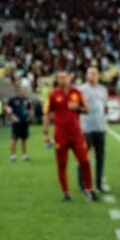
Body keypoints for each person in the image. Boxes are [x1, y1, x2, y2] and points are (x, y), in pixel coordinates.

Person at [43, 70, 96, 201]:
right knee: (61, 164)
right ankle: (65, 192)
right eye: (59, 78)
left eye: (64, 77)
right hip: (60, 135)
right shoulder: (53, 95)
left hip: (76, 134)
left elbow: (87, 109)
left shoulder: (77, 93)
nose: (62, 80)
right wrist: (46, 133)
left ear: (69, 78)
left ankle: (89, 189)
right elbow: (46, 114)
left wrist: (77, 107)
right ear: (57, 79)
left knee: (84, 160)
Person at [78, 66, 109, 193]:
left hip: (100, 127)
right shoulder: (80, 90)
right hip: (85, 128)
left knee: (100, 157)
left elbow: (105, 107)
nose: (91, 75)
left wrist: (105, 119)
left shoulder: (103, 89)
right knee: (84, 157)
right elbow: (77, 107)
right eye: (89, 73)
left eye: (94, 73)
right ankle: (82, 183)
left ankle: (99, 182)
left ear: (98, 75)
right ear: (86, 75)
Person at [8, 83, 34, 162]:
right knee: (14, 139)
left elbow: (30, 109)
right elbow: (7, 108)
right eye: (20, 90)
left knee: (24, 139)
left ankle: (24, 155)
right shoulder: (13, 100)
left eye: (23, 90)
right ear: (17, 91)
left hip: (24, 122)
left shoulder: (27, 100)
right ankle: (13, 155)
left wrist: (29, 115)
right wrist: (12, 117)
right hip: (16, 123)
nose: (22, 92)